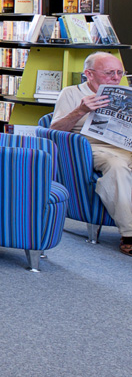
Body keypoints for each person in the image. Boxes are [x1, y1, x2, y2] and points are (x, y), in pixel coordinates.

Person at [50, 51, 132, 255]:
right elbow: (53, 130)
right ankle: (129, 233)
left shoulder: (126, 93)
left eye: (120, 73)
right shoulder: (71, 93)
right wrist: (80, 110)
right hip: (91, 148)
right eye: (109, 73)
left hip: (125, 146)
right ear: (89, 74)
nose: (116, 78)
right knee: (116, 166)